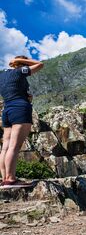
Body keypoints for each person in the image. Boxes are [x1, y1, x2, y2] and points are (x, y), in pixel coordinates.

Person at [0, 55, 43, 188]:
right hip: (19, 109)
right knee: (14, 146)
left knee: (5, 147)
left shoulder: (2, 76)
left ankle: (4, 179)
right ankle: (11, 179)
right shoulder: (20, 71)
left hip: (7, 110)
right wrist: (22, 62)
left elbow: (11, 91)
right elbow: (40, 64)